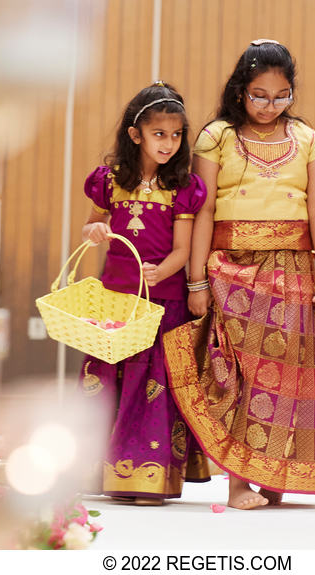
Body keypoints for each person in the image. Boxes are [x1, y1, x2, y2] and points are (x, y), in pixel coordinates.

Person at [163, 39, 315, 510]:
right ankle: (239, 481)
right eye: (258, 95)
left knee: (288, 376)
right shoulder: (217, 136)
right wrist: (197, 281)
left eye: (280, 96)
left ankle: (277, 473)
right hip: (229, 269)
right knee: (238, 374)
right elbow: (202, 213)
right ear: (240, 90)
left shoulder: (308, 140)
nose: (269, 106)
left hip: (293, 270)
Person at [80, 81, 210, 505]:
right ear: (136, 135)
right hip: (115, 301)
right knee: (109, 383)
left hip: (161, 302)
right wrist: (96, 230)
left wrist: (161, 274)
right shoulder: (110, 182)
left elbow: (181, 251)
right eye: (159, 134)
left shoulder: (183, 188)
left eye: (176, 136)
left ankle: (149, 479)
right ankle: (107, 473)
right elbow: (92, 226)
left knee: (152, 388)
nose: (169, 144)